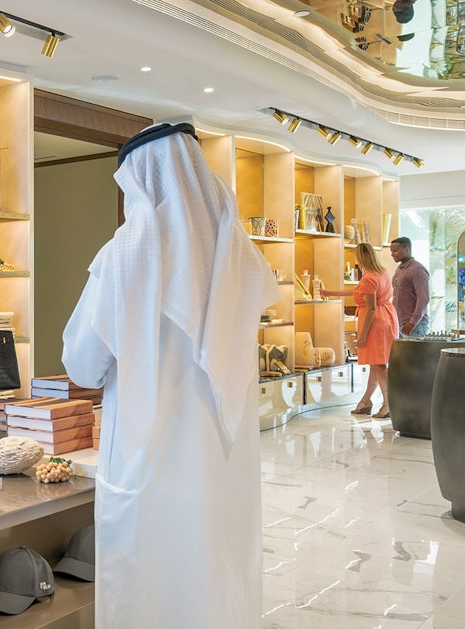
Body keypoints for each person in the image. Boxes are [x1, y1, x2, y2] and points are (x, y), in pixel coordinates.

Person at [61, 123, 280, 628]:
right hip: (221, 460)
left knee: (152, 584)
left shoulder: (127, 254)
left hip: (150, 461)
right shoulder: (240, 254)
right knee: (216, 575)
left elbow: (82, 363)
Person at [322, 243, 400, 418]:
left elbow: (371, 308)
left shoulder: (369, 278)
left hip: (376, 323)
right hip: (387, 318)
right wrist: (329, 292)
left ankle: (388, 404)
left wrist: (362, 335)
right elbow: (358, 291)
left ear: (361, 258)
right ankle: (366, 402)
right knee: (377, 364)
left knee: (379, 365)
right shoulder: (382, 273)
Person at [389, 236, 430, 337]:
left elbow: (423, 298)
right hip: (399, 323)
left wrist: (412, 322)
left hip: (415, 325)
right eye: (391, 251)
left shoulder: (417, 269)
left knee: (416, 353)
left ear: (407, 249)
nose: (392, 254)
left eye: (395, 251)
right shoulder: (399, 269)